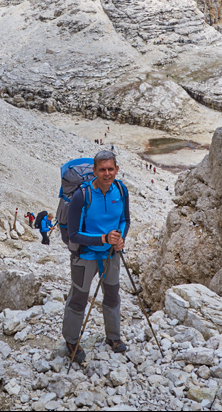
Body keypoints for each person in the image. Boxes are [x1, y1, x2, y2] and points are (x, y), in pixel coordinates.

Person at [62, 150, 130, 362]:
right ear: (94, 171)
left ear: (117, 170)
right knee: (79, 299)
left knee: (112, 295)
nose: (107, 173)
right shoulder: (82, 196)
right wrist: (103, 239)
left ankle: (113, 337)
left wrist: (120, 238)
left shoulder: (121, 190)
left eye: (111, 169)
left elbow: (125, 220)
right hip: (86, 255)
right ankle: (71, 342)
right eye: (102, 169)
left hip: (111, 253)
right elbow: (74, 234)